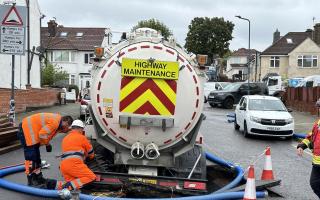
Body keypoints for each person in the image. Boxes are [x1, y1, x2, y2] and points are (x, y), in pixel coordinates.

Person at [17, 113, 73, 187]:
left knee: (36, 157)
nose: (67, 128)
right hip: (27, 131)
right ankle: (31, 180)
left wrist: (65, 130)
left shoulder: (57, 123)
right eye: (67, 125)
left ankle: (38, 177)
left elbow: (51, 132)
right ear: (65, 121)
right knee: (31, 157)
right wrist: (47, 144)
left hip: (30, 131)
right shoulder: (55, 122)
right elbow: (42, 134)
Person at [57, 120, 96, 190]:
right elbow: (91, 152)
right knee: (91, 177)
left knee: (75, 186)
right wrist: (91, 156)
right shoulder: (82, 138)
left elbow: (72, 151)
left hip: (63, 166)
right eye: (82, 129)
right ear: (80, 129)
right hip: (74, 164)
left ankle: (61, 189)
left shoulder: (65, 138)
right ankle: (66, 186)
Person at [297, 119, 320, 198]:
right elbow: (312, 136)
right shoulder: (318, 123)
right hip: (317, 163)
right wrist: (302, 146)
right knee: (315, 184)